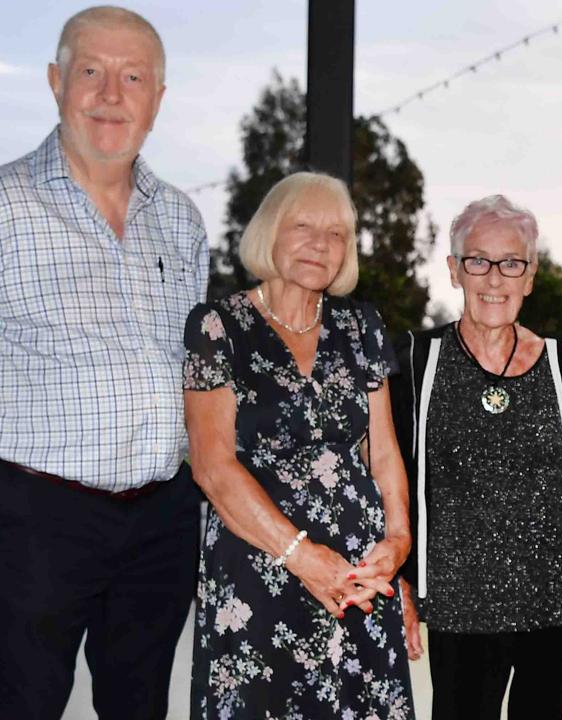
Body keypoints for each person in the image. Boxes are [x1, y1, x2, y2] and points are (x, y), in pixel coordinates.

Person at [0, 8, 208, 719]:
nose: (112, 94)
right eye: (91, 71)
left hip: (161, 520)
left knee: (141, 704)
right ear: (57, 82)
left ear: (158, 99)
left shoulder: (181, 219)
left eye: (133, 77)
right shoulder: (4, 205)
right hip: (34, 520)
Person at [183, 172, 415, 719]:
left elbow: (383, 454)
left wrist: (399, 545)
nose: (321, 244)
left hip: (358, 577)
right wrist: (302, 557)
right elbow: (212, 468)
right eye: (303, 226)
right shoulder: (218, 327)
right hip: (259, 569)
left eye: (337, 234)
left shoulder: (363, 327)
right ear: (270, 233)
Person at [389, 195, 562, 720]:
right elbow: (393, 478)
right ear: (454, 271)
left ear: (529, 276)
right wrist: (402, 581)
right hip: (458, 607)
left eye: (511, 263)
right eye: (478, 261)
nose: (494, 278)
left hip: (556, 604)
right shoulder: (417, 360)